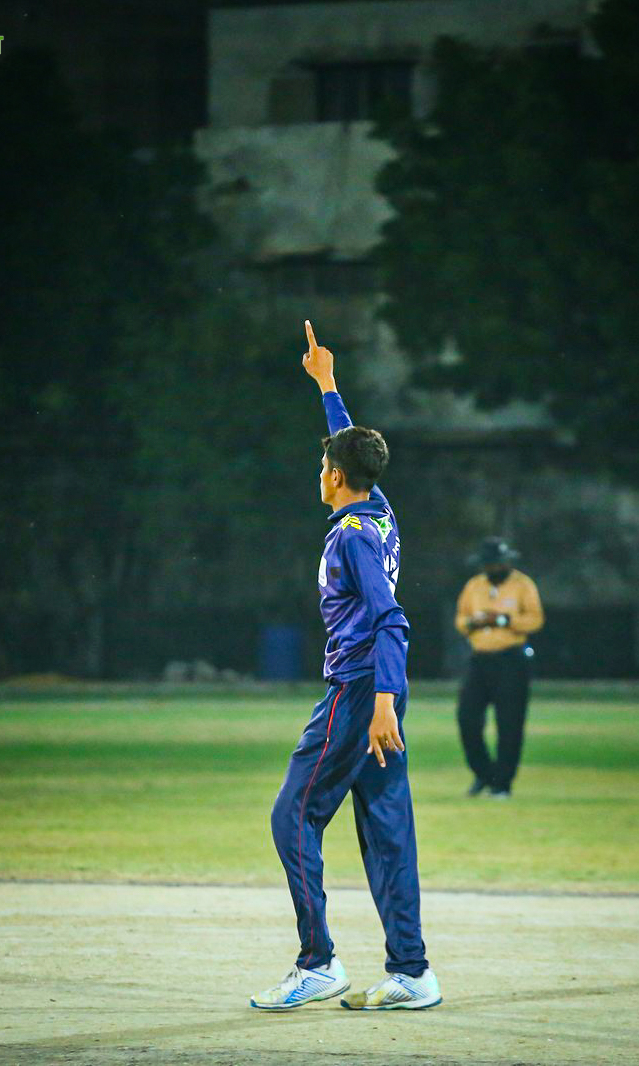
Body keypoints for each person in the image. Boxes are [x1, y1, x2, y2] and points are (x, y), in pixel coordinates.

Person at [250, 321, 441, 1013]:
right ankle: (412, 972)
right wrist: (327, 385)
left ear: (334, 476)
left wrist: (382, 702)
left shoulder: (352, 536)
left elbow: (391, 619)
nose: (320, 471)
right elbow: (352, 447)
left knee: (292, 816)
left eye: (324, 464)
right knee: (387, 831)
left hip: (360, 693)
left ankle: (318, 962)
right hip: (380, 694)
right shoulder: (378, 509)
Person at [455, 537, 544, 799]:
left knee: (509, 724)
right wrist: (473, 623)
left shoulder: (522, 584)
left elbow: (535, 620)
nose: (493, 568)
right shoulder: (474, 585)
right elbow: (460, 619)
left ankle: (502, 783)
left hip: (511, 659)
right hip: (480, 659)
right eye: (489, 564)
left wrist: (503, 620)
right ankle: (484, 773)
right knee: (467, 719)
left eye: (497, 563)